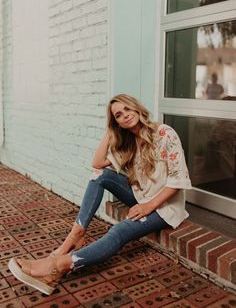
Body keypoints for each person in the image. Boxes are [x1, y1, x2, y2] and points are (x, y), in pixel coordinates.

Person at [8, 94, 192, 295]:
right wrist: (111, 130)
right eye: (119, 115)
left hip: (165, 206)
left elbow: (177, 181)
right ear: (117, 123)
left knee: (120, 231)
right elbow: (96, 163)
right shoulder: (129, 142)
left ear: (137, 109)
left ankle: (59, 266)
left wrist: (148, 207)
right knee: (100, 176)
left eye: (128, 109)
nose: (125, 116)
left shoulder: (165, 134)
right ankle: (76, 235)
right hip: (141, 196)